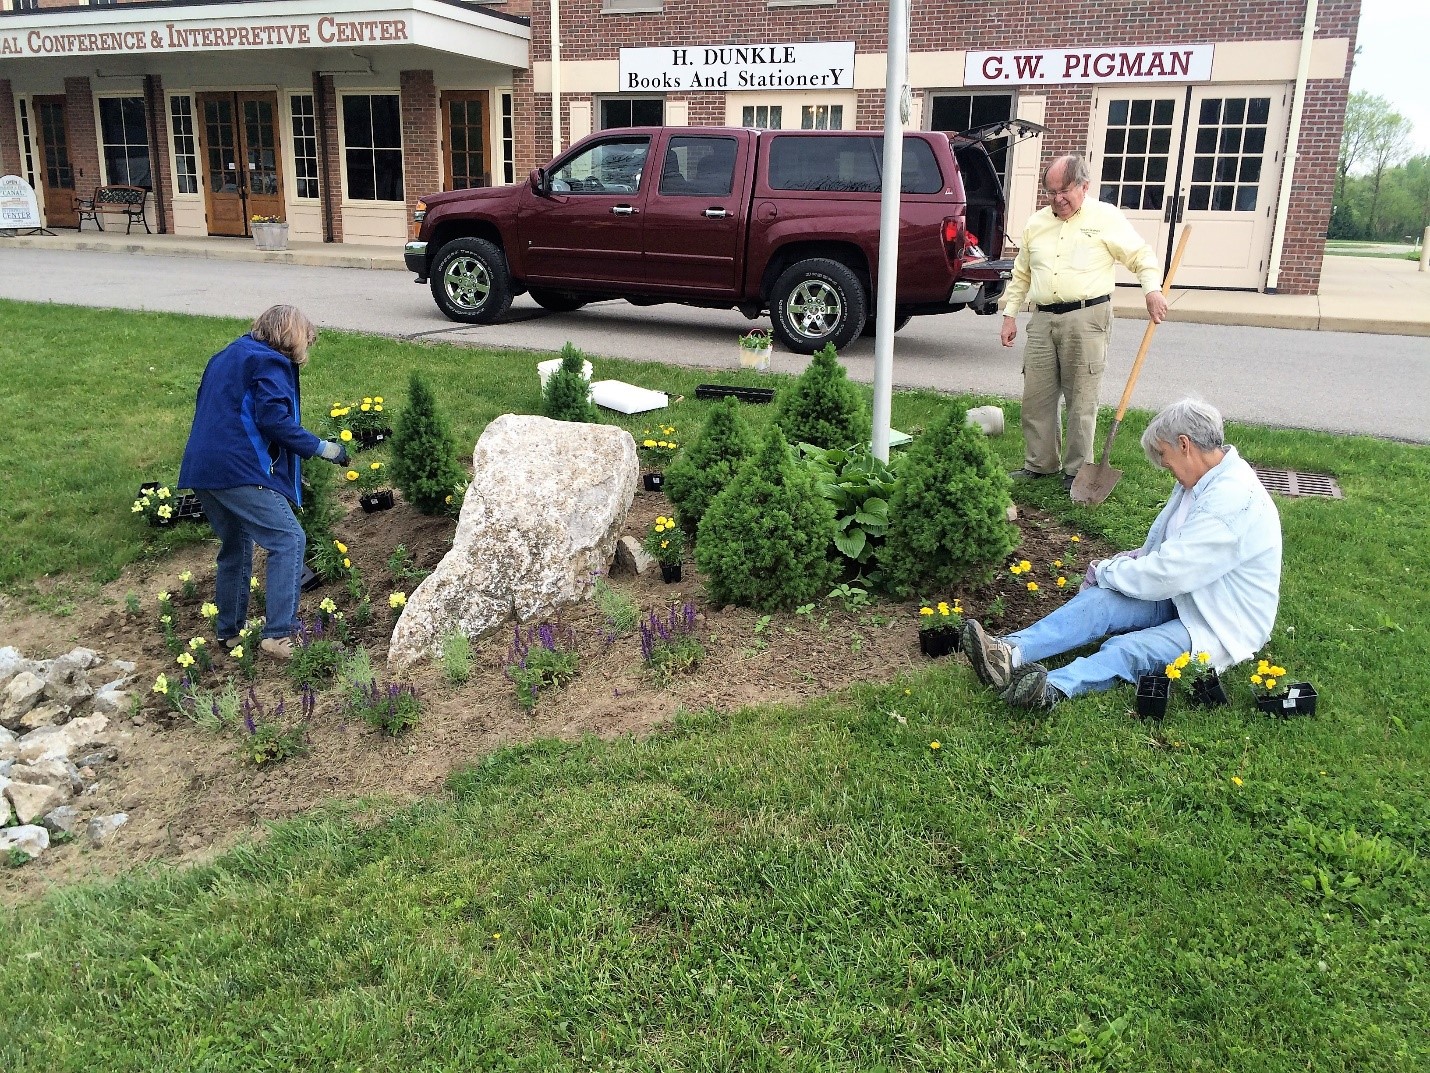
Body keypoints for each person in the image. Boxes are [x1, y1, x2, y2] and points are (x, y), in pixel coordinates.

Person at [961, 399, 1282, 709]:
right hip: (1183, 595)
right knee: (1100, 604)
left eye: (1163, 454)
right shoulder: (1201, 478)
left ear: (1184, 444)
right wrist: (1129, 562)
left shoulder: (1232, 499)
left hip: (1220, 622)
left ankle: (1052, 688)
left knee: (1131, 649)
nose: (1164, 464)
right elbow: (1174, 550)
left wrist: (1107, 572)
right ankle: (1008, 653)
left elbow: (1171, 572)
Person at [179, 305, 349, 660]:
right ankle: (279, 635)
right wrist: (324, 448)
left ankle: (229, 632)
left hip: (202, 468)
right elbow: (273, 419)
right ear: (291, 336)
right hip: (238, 468)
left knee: (236, 545)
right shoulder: (269, 361)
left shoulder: (227, 355)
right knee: (288, 538)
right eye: (307, 341)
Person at [999, 154, 1169, 491]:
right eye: (1051, 192)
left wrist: (1151, 290)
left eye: (1065, 191)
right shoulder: (1037, 223)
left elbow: (1140, 256)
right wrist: (1009, 314)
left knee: (1081, 398)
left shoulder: (1105, 217)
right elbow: (1021, 274)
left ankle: (1076, 471)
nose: (1058, 199)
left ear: (1084, 186)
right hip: (1043, 318)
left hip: (1087, 317)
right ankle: (1040, 464)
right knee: (1037, 397)